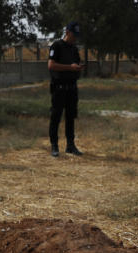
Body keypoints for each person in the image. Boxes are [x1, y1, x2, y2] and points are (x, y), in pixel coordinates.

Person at [48, 21, 85, 157]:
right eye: (74, 35)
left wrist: (78, 68)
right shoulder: (56, 46)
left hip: (71, 88)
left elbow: (75, 64)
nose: (75, 38)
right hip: (59, 88)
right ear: (67, 32)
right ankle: (54, 146)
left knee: (70, 117)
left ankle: (70, 145)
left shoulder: (74, 49)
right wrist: (70, 67)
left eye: (77, 36)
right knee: (56, 117)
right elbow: (51, 65)